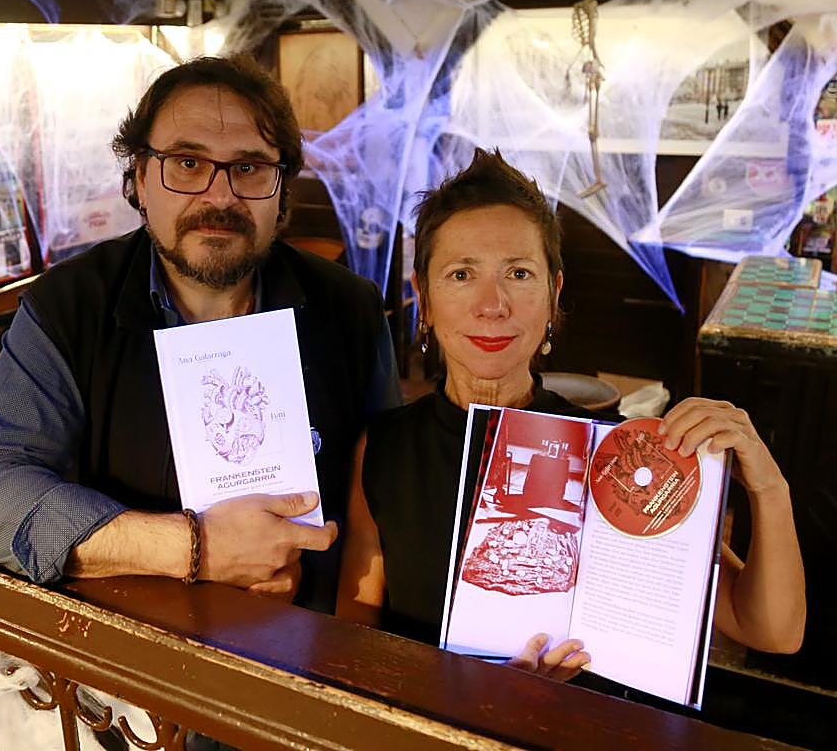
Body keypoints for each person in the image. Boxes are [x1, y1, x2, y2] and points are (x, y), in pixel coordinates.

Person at [0, 55, 400, 610]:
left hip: (312, 638)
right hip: (133, 647)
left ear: (282, 189)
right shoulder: (68, 307)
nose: (220, 196)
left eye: (250, 168)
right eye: (187, 163)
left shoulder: (350, 310)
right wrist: (194, 548)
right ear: (139, 178)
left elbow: (390, 498)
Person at [336, 148, 806, 680]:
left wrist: (770, 487)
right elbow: (355, 644)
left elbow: (770, 629)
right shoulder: (385, 448)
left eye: (519, 273)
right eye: (461, 274)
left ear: (553, 292)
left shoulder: (617, 454)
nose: (492, 305)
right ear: (423, 296)